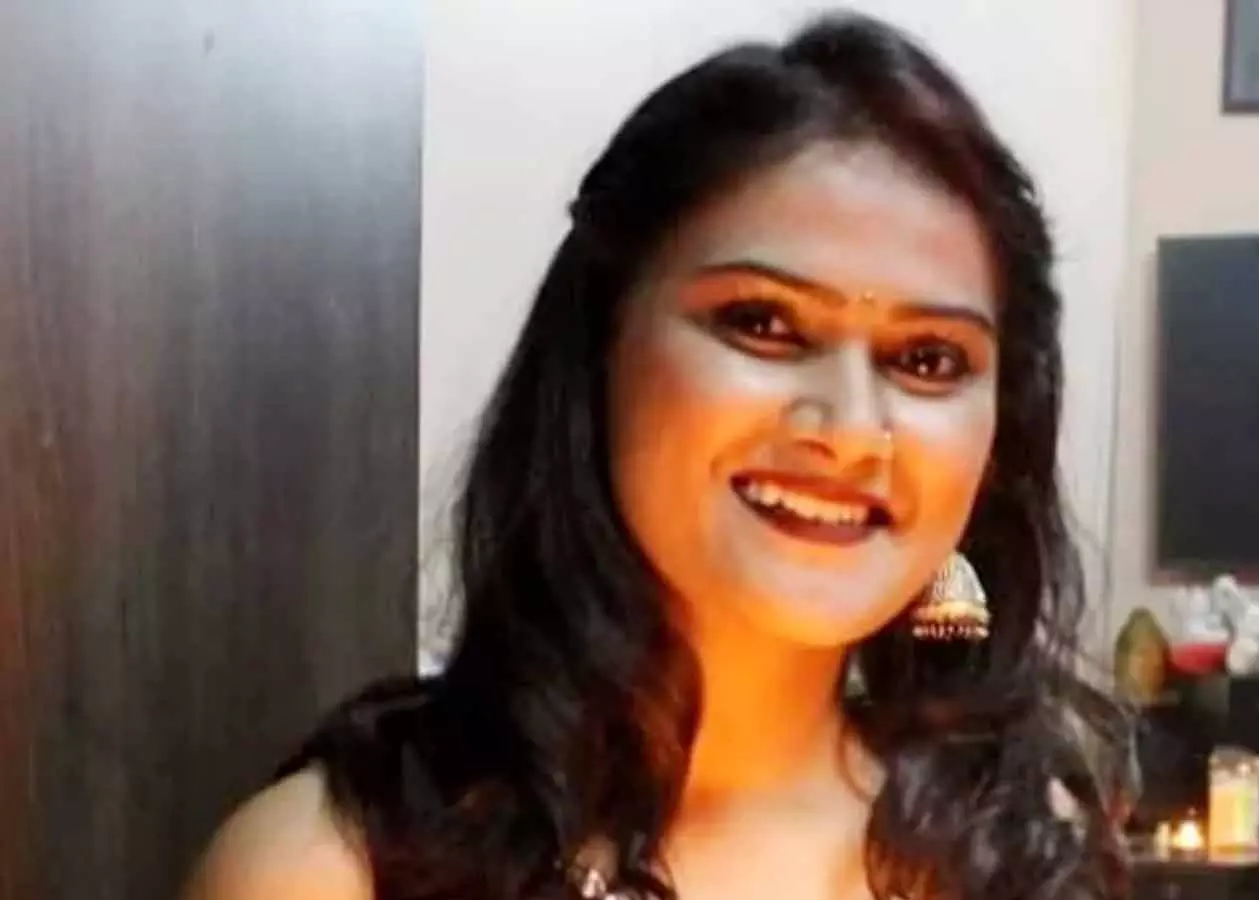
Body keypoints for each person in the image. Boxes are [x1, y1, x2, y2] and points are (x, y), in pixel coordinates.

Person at [185, 12, 1131, 900]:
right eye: (762, 323)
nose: (849, 429)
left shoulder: (1014, 852)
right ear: (602, 345)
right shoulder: (336, 865)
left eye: (928, 360)